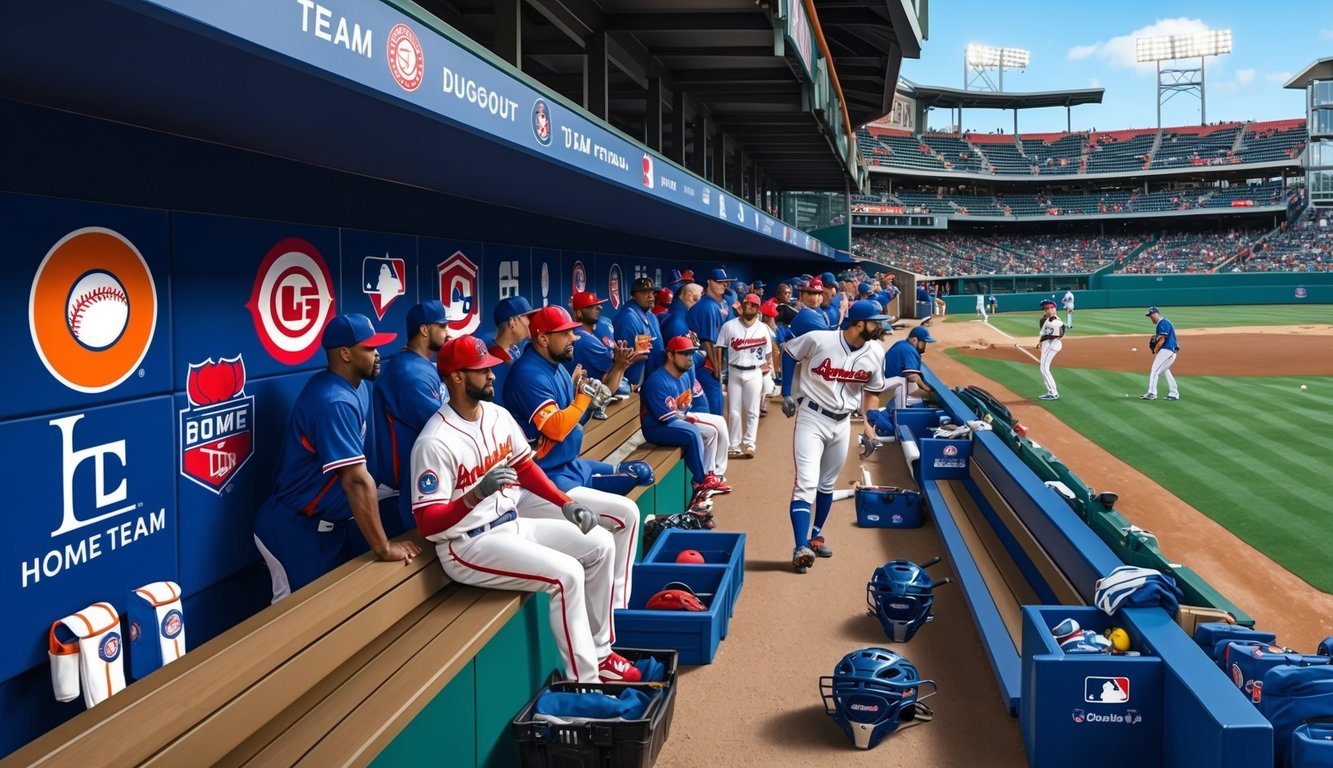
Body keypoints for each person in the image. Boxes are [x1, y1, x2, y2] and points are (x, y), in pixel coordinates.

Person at [410, 335, 639, 683]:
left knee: (600, 543)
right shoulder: (435, 441)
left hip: (512, 523)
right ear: (456, 377)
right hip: (469, 545)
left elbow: (525, 467)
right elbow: (428, 524)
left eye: (490, 368)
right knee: (567, 575)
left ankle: (602, 652)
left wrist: (565, 503)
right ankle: (585, 685)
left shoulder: (497, 415)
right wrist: (473, 496)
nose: (491, 375)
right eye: (481, 370)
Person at [254, 314, 422, 603]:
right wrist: (384, 548)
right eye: (369, 348)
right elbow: (356, 481)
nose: (378, 353)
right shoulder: (333, 401)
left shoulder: (358, 387)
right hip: (294, 530)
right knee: (292, 625)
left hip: (331, 526)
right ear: (345, 353)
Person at [503, 306, 643, 617]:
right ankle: (617, 610)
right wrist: (582, 398)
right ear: (542, 338)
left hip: (569, 466)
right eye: (565, 333)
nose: (573, 338)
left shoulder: (555, 368)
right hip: (540, 480)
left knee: (635, 477)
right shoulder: (528, 373)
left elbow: (575, 422)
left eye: (572, 331)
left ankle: (616, 602)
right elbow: (555, 427)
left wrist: (587, 403)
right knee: (626, 515)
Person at [780, 301, 888, 574]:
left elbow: (872, 391)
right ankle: (799, 546)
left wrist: (870, 424)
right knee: (806, 483)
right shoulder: (820, 339)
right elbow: (789, 352)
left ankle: (815, 536)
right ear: (859, 324)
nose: (881, 326)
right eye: (876, 321)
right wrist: (786, 393)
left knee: (827, 484)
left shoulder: (876, 351)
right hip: (812, 418)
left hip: (842, 425)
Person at [371, 301, 450, 534]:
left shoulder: (422, 365)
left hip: (417, 480)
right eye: (443, 326)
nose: (448, 333)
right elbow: (445, 427)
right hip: (399, 491)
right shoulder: (410, 374)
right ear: (425, 330)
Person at [639, 336, 732, 508]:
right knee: (692, 432)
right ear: (671, 355)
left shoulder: (683, 375)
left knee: (712, 429)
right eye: (685, 354)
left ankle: (711, 474)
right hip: (656, 428)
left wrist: (689, 417)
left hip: (675, 418)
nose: (690, 358)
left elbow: (682, 411)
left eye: (691, 354)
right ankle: (700, 482)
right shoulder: (657, 381)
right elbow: (667, 419)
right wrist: (691, 419)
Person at [716, 293, 773, 458]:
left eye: (753, 305)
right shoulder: (729, 326)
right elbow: (719, 346)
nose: (749, 307)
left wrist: (766, 369)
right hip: (734, 371)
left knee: (753, 410)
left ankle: (749, 444)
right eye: (747, 304)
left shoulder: (763, 329)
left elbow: (768, 354)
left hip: (754, 372)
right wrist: (719, 369)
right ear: (742, 305)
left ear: (757, 309)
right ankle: (734, 445)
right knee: (733, 411)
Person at [567, 291, 638, 419]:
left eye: (598, 305)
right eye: (591, 306)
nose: (599, 307)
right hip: (583, 406)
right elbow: (610, 384)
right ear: (579, 313)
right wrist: (621, 362)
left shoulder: (588, 335)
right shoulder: (584, 339)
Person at [867, 325, 935, 439]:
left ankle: (893, 413)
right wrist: (928, 390)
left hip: (881, 382)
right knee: (902, 382)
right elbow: (912, 376)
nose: (925, 346)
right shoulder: (908, 350)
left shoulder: (903, 344)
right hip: (881, 386)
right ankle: (899, 421)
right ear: (914, 340)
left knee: (906, 388)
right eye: (923, 342)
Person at [687, 268, 735, 417]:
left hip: (715, 359)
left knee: (717, 401)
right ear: (709, 282)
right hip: (705, 362)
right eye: (719, 282)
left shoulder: (721, 303)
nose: (723, 285)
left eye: (725, 283)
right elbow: (707, 341)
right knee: (713, 404)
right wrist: (717, 369)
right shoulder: (708, 306)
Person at [779, 279, 831, 403]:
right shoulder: (806, 316)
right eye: (810, 293)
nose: (815, 298)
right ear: (802, 295)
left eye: (818, 294)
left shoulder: (820, 313)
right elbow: (788, 353)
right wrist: (786, 392)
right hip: (802, 370)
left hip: (816, 367)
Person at [614, 277, 665, 390]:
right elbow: (630, 359)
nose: (651, 296)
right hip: (634, 384)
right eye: (645, 293)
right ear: (633, 295)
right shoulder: (628, 318)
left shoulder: (650, 316)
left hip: (652, 379)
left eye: (652, 292)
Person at [488, 296, 539, 408]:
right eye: (528, 317)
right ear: (513, 322)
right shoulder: (494, 362)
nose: (531, 321)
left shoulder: (513, 351)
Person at [1142, 307, 1180, 401]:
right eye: (1150, 316)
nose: (1151, 317)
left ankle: (1152, 393)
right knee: (1164, 370)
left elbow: (1162, 339)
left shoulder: (1162, 323)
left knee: (1155, 370)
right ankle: (1174, 393)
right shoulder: (1164, 323)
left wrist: (1155, 350)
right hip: (1169, 351)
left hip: (1167, 350)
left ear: (1157, 314)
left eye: (1152, 315)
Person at [1037, 299, 1065, 401]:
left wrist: (1045, 339)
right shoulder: (1045, 320)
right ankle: (1051, 391)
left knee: (1044, 368)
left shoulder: (1055, 321)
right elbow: (1045, 333)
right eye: (1045, 308)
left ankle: (1053, 393)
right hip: (1048, 344)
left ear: (1054, 309)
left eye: (1050, 308)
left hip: (1051, 345)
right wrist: (1040, 341)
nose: (1048, 310)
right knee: (1044, 368)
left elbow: (1059, 334)